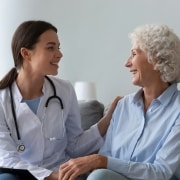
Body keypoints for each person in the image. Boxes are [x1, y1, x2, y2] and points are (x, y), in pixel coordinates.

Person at [0, 20, 120, 180]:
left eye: (58, 47)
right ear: (26, 54)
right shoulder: (3, 98)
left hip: (62, 171)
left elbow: (75, 145)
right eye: (50, 48)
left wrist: (108, 118)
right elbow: (7, 157)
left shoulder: (64, 90)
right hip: (24, 174)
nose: (59, 54)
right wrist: (53, 177)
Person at [58, 24, 180, 180]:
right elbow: (105, 158)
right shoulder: (123, 106)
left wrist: (101, 161)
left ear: (156, 59)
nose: (127, 63)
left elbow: (161, 173)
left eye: (134, 54)